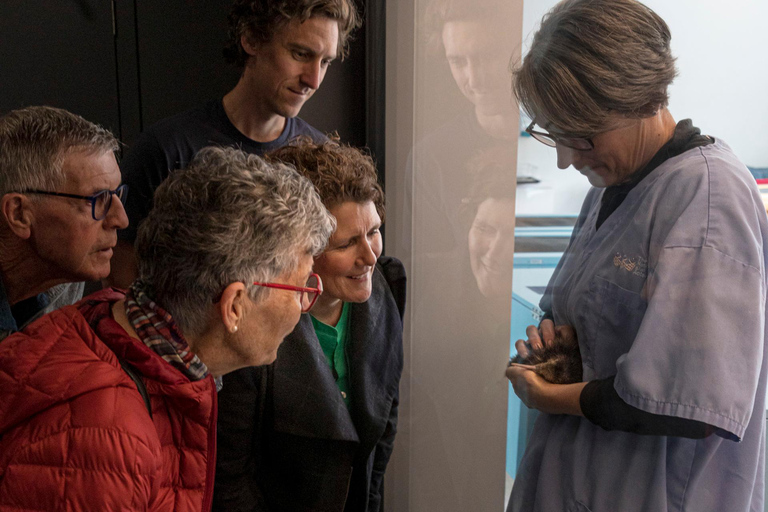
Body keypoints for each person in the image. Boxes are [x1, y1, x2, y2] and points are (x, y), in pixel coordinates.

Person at [505, 1, 767, 511]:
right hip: (579, 479)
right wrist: (559, 354)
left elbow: (690, 404)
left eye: (579, 135)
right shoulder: (610, 187)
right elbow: (594, 328)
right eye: (553, 132)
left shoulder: (707, 196)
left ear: (638, 100)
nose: (564, 158)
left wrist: (543, 393)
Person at [0, 146, 335, 511]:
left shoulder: (109, 318)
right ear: (234, 306)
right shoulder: (110, 443)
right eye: (302, 288)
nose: (304, 307)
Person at [110, 0, 360, 288]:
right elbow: (121, 284)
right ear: (252, 39)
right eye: (300, 54)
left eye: (326, 61)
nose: (313, 79)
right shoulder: (166, 149)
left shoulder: (321, 159)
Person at [214, 138, 406, 512]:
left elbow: (382, 433)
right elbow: (230, 478)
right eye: (346, 243)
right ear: (295, 250)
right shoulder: (248, 322)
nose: (369, 256)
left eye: (374, 231)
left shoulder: (386, 287)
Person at [0, 105, 127, 341]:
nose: (121, 220)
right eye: (98, 199)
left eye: (117, 194)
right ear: (19, 214)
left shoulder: (62, 271)